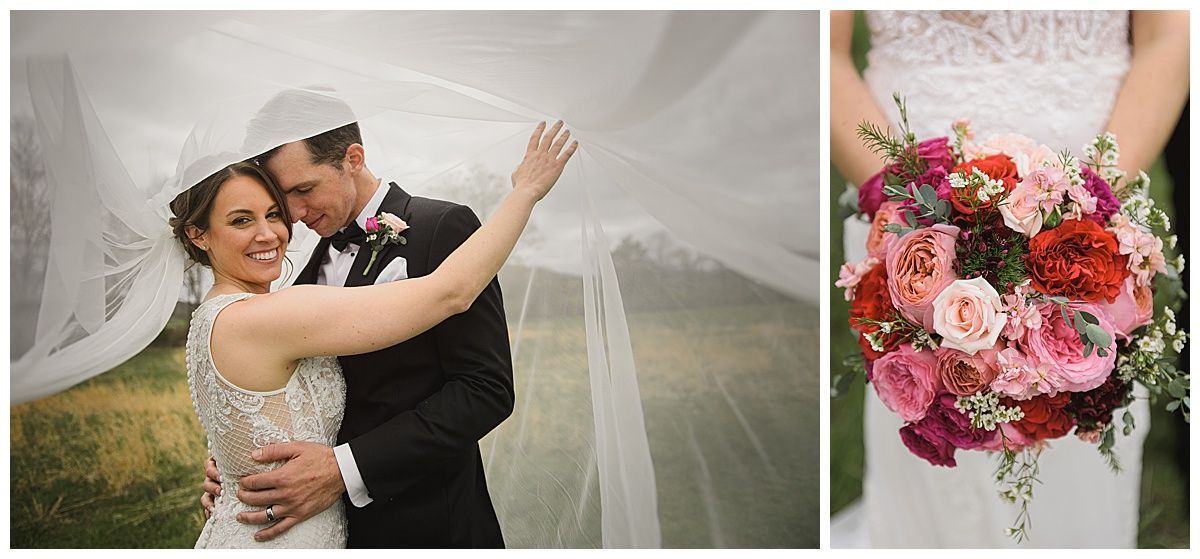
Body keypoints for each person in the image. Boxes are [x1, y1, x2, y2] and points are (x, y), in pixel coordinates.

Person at [830, 10, 1188, 548]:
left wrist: (1086, 209)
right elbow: (823, 48)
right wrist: (909, 208)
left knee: (1075, 447)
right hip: (910, 204)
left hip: (1094, 209)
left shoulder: (1091, 216)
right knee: (930, 422)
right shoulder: (910, 218)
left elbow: (1171, 34)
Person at [181, 121, 577, 548]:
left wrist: (344, 470)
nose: (292, 216)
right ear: (198, 234)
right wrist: (235, 460)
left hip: (427, 526)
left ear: (353, 159)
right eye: (282, 199)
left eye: (301, 191)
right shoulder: (290, 291)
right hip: (319, 529)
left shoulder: (442, 226)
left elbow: (485, 389)